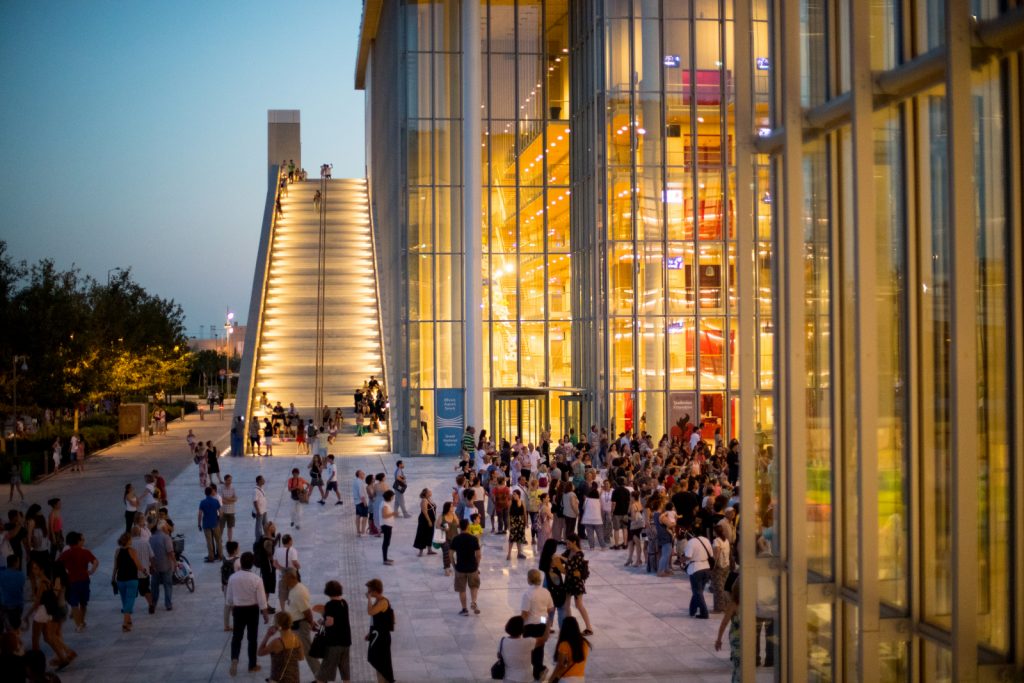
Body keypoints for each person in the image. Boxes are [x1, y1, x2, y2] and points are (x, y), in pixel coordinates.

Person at [226, 551, 270, 676]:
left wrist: (232, 608)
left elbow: (229, 598)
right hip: (252, 610)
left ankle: (235, 658)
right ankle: (252, 665)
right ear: (252, 564)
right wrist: (265, 614)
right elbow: (262, 599)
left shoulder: (233, 577)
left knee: (237, 637)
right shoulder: (256, 579)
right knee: (252, 638)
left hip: (238, 610)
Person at [313, 580, 352, 683]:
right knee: (345, 672)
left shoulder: (330, 605)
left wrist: (322, 622)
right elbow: (339, 619)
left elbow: (330, 623)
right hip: (346, 641)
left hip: (334, 643)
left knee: (323, 673)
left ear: (328, 591)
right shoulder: (344, 603)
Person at [59, 531, 98, 631]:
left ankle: (78, 625)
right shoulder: (85, 552)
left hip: (72, 581)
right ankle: (82, 621)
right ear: (78, 541)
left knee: (74, 604)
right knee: (83, 603)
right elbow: (95, 561)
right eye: (82, 540)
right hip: (84, 580)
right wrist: (91, 571)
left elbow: (58, 564)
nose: (84, 542)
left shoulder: (66, 553)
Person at [280, 569, 317, 674]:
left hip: (300, 627)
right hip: (294, 626)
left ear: (291, 577)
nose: (282, 580)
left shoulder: (298, 592)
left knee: (308, 652)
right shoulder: (294, 589)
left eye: (283, 577)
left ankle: (320, 678)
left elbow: (307, 611)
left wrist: (311, 623)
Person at [520, 569, 554, 680]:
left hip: (530, 625)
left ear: (529, 579)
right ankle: (538, 672)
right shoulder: (546, 592)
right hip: (542, 623)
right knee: (539, 648)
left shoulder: (527, 594)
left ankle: (539, 669)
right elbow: (550, 609)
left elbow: (525, 613)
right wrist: (548, 623)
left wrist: (519, 626)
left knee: (529, 649)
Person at [499, 615, 548, 683]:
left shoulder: (502, 641)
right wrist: (547, 624)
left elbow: (499, 655)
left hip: (508, 678)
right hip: (525, 678)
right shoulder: (528, 642)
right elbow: (544, 638)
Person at [562, 534, 594, 634]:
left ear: (574, 542)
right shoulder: (568, 551)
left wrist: (562, 558)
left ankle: (589, 627)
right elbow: (562, 559)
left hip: (576, 582)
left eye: (568, 543)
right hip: (568, 580)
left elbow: (572, 565)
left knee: (579, 605)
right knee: (566, 604)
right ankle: (570, 626)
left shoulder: (580, 554)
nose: (567, 545)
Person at [112, 532, 145, 632]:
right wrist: (145, 571)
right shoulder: (132, 551)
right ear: (128, 540)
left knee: (124, 600)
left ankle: (129, 621)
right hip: (131, 579)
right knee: (130, 600)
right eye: (130, 539)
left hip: (120, 580)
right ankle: (125, 624)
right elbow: (138, 565)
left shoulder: (117, 551)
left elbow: (115, 567)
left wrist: (113, 578)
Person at [258, 611, 302, 683]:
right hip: (294, 678)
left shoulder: (277, 642)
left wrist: (267, 636)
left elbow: (260, 653)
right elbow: (300, 657)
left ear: (278, 625)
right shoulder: (296, 639)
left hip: (280, 679)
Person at [364, 578, 394, 683]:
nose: (368, 592)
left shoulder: (383, 602)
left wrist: (368, 599)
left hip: (382, 638)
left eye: (369, 590)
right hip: (377, 636)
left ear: (375, 591)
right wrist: (370, 633)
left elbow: (370, 612)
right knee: (378, 663)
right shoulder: (378, 601)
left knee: (382, 664)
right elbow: (375, 620)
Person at [450, 518, 481, 616]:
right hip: (472, 567)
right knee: (474, 586)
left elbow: (450, 554)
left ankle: (464, 609)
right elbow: (478, 555)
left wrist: (454, 566)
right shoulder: (474, 539)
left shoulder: (456, 539)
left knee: (462, 589)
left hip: (460, 568)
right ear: (468, 527)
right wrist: (477, 566)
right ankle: (474, 601)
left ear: (460, 527)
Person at [550, 616, 591, 682]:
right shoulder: (585, 643)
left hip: (567, 679)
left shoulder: (564, 645)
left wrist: (551, 679)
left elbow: (560, 665)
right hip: (580, 678)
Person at [715, 581, 741, 683]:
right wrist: (719, 640)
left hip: (747, 638)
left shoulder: (750, 604)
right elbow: (724, 623)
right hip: (737, 639)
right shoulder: (733, 605)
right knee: (738, 665)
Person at [683, 530, 713, 619]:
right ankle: (692, 610)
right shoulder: (706, 540)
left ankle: (704, 613)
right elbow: (711, 554)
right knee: (698, 592)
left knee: (697, 592)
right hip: (706, 568)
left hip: (696, 569)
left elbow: (688, 556)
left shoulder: (691, 542)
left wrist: (681, 559)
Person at [149, 521, 175, 611]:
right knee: (167, 585)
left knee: (154, 586)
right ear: (163, 528)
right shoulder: (166, 538)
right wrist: (175, 562)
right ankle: (168, 604)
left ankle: (153, 603)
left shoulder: (151, 538)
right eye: (166, 527)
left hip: (155, 566)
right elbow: (170, 552)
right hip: (166, 565)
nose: (168, 529)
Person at [272, 534, 301, 612]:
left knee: (282, 592)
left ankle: (283, 610)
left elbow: (274, 563)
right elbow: (294, 562)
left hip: (282, 574)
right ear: (290, 541)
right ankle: (293, 609)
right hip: (291, 573)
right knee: (293, 591)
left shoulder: (277, 550)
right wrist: (298, 566)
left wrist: (281, 568)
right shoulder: (292, 550)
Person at [198, 486, 223, 562]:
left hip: (206, 523)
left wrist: (199, 524)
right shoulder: (215, 501)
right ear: (211, 493)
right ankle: (220, 555)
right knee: (218, 540)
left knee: (209, 541)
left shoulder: (202, 502)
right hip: (215, 523)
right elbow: (220, 512)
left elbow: (200, 514)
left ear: (205, 493)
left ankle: (211, 557)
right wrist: (219, 519)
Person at [412, 488, 437, 556]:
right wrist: (429, 521)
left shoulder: (429, 499)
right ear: (426, 494)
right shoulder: (424, 500)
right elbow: (424, 512)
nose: (431, 491)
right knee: (422, 534)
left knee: (430, 534)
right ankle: (421, 551)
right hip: (425, 520)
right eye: (429, 491)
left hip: (431, 519)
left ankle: (429, 550)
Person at [506, 489, 529, 560]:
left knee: (520, 538)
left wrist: (526, 522)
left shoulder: (522, 502)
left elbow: (524, 513)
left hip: (520, 522)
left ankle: (519, 553)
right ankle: (509, 554)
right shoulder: (511, 502)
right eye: (513, 494)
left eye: (515, 494)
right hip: (513, 521)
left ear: (519, 495)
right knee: (512, 538)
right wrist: (508, 524)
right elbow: (508, 514)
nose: (513, 495)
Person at [379, 490, 396, 565]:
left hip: (387, 525)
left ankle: (385, 558)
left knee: (387, 542)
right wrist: (393, 513)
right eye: (392, 497)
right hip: (386, 525)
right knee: (386, 542)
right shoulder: (385, 505)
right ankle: (385, 559)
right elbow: (384, 516)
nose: (393, 498)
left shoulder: (384, 503)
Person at [221, 474, 237, 543]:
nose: (230, 481)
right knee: (221, 527)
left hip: (231, 511)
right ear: (225, 480)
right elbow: (221, 500)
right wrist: (231, 500)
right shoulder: (221, 488)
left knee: (230, 527)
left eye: (231, 480)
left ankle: (229, 540)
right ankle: (220, 540)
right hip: (223, 511)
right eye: (228, 480)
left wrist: (227, 499)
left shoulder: (233, 488)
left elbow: (235, 498)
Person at [352, 470, 368, 536]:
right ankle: (363, 532)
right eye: (362, 473)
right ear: (359, 475)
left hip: (357, 501)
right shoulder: (360, 482)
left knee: (358, 516)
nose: (364, 474)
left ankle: (358, 531)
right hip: (361, 501)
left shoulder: (355, 481)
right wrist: (364, 502)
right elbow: (361, 493)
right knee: (365, 517)